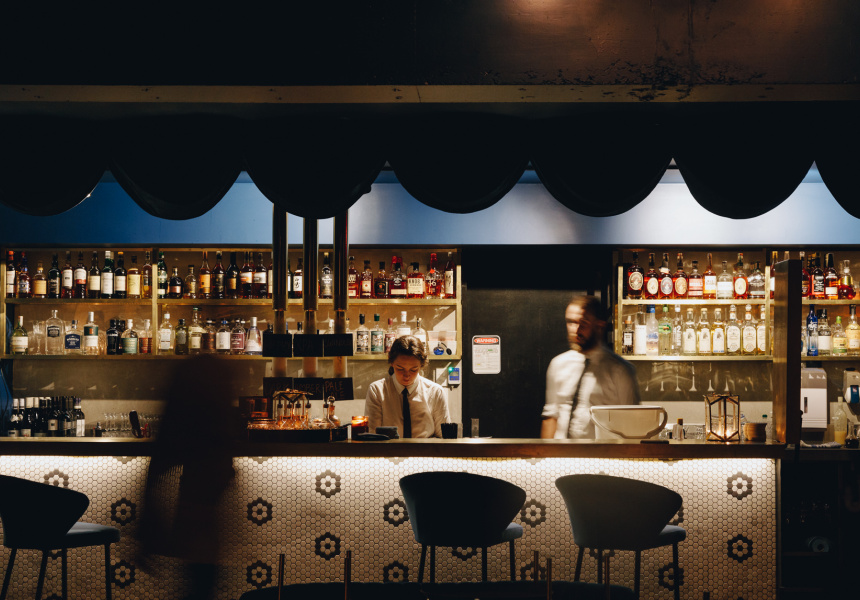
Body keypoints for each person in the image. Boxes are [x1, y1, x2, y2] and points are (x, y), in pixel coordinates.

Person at [541, 295, 640, 439]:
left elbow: (633, 424)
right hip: (562, 451)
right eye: (571, 322)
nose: (575, 329)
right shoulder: (558, 365)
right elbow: (551, 416)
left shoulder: (620, 370)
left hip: (603, 452)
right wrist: (545, 452)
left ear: (599, 325)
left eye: (583, 323)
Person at [366, 335, 451, 438]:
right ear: (391, 362)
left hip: (425, 448)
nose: (407, 375)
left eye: (413, 370)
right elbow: (373, 437)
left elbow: (445, 439)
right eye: (400, 368)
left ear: (421, 365)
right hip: (390, 448)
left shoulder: (435, 392)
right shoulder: (377, 390)